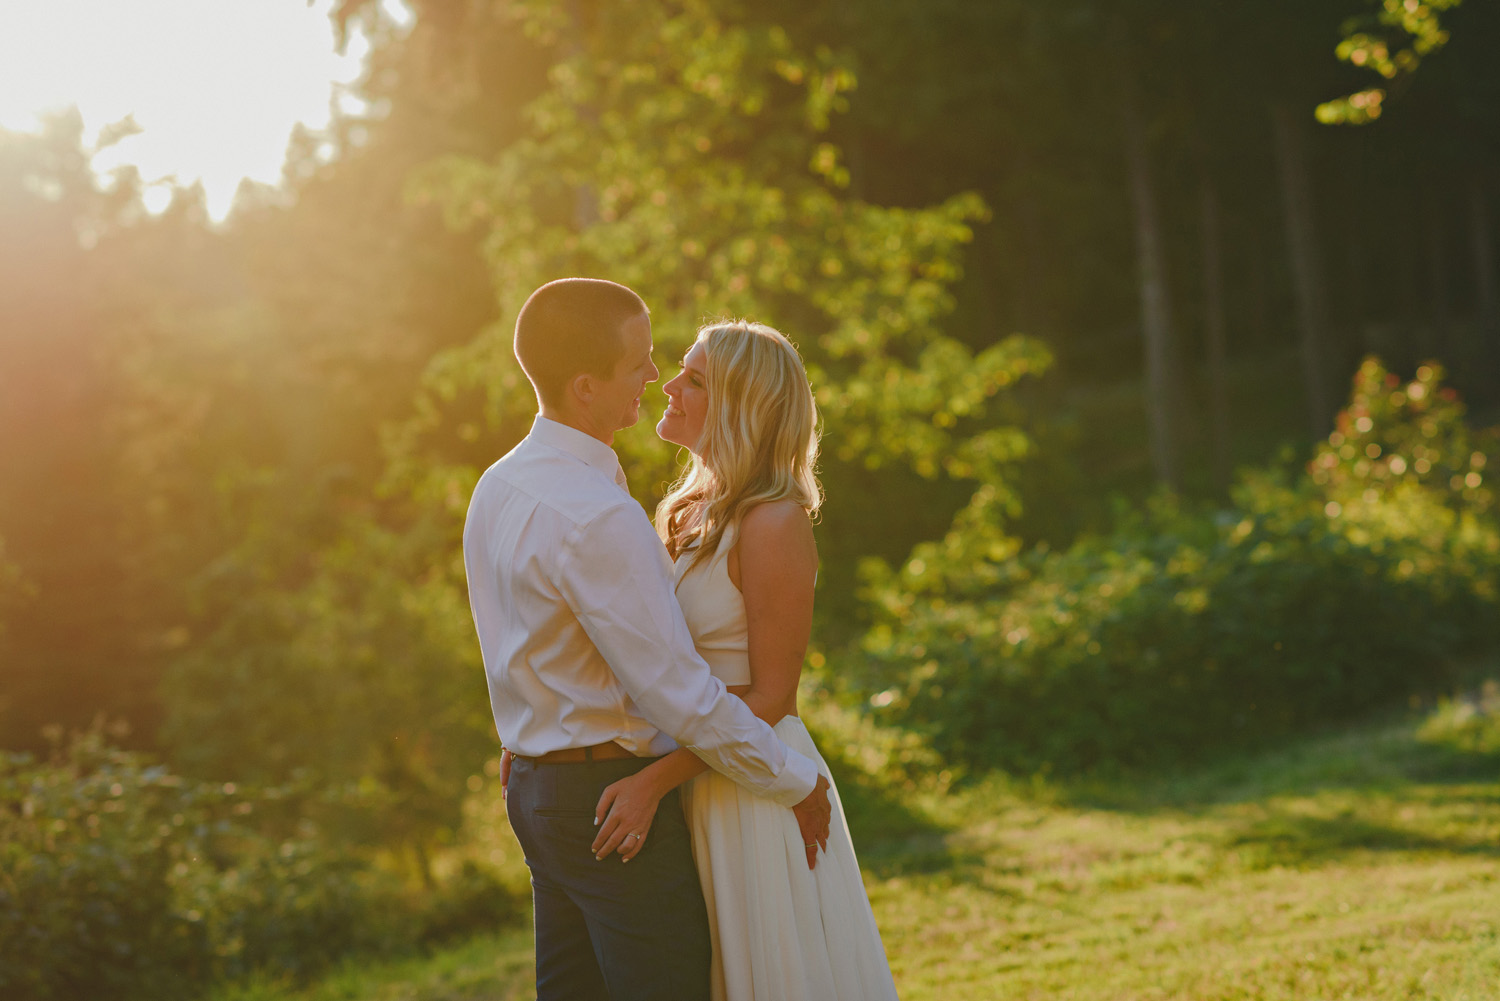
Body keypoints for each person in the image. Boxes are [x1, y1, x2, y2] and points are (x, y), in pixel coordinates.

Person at [462, 279, 833, 1001]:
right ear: (585, 386)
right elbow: (680, 693)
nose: (655, 378)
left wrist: (530, 733)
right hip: (609, 798)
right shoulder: (601, 513)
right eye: (642, 363)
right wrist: (795, 778)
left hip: (546, 788)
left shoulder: (500, 483)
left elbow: (518, 638)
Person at [587, 320, 901, 1001]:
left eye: (695, 379)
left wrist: (654, 781)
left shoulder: (773, 520)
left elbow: (773, 697)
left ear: (742, 405)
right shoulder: (684, 513)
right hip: (696, 778)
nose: (668, 386)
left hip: (753, 785)